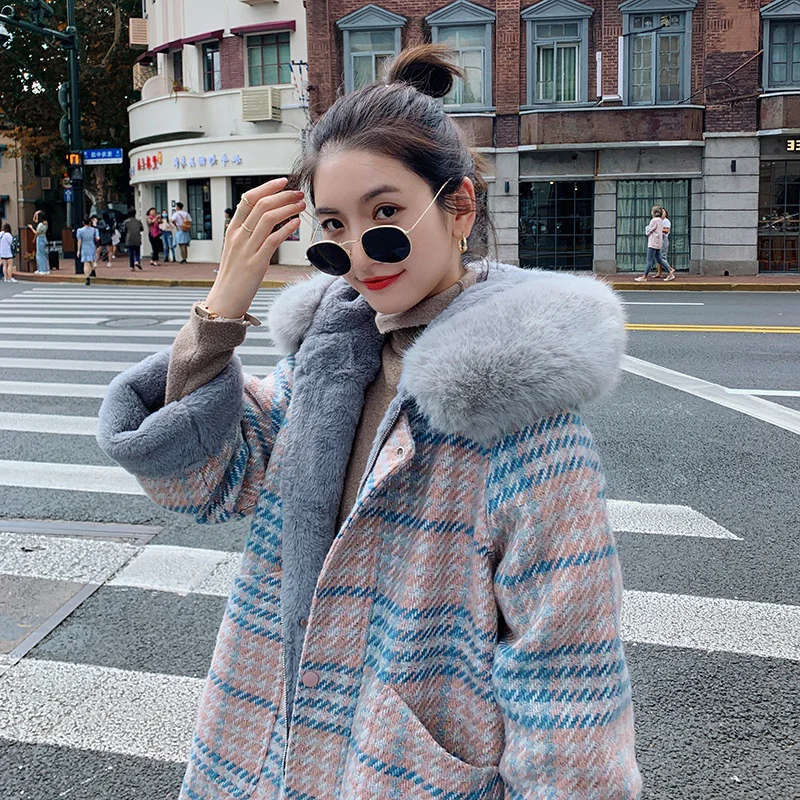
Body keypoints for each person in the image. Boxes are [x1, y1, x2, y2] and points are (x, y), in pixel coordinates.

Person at [96, 45, 640, 799]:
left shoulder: (522, 414)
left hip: (404, 771)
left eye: (385, 216)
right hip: (273, 746)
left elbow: (568, 673)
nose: (359, 255)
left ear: (459, 207)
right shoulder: (326, 369)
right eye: (332, 228)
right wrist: (222, 306)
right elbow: (199, 484)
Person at [635, 204, 674, 282]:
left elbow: (648, 231)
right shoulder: (660, 220)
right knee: (659, 259)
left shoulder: (654, 220)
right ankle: (670, 273)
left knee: (649, 260)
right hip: (659, 242)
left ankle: (644, 276)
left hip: (652, 242)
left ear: (654, 212)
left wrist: (646, 228)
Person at [76, 216, 99, 285]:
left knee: (86, 263)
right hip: (92, 246)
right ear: (90, 223)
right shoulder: (94, 230)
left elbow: (79, 241)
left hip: (84, 247)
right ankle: (93, 269)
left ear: (83, 223)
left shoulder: (80, 230)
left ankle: (87, 277)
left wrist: (78, 250)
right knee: (92, 260)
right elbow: (97, 238)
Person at [655, 206, 675, 280]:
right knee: (658, 256)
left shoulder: (666, 221)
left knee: (662, 256)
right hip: (658, 239)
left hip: (663, 239)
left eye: (663, 212)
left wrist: (658, 229)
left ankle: (670, 270)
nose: (662, 213)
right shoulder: (658, 220)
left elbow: (666, 230)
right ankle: (659, 272)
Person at [121, 207, 143, 271]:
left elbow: (123, 230)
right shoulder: (138, 221)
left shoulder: (126, 222)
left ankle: (132, 266)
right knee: (137, 252)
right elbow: (142, 229)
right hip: (137, 238)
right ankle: (137, 261)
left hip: (129, 238)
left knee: (131, 253)